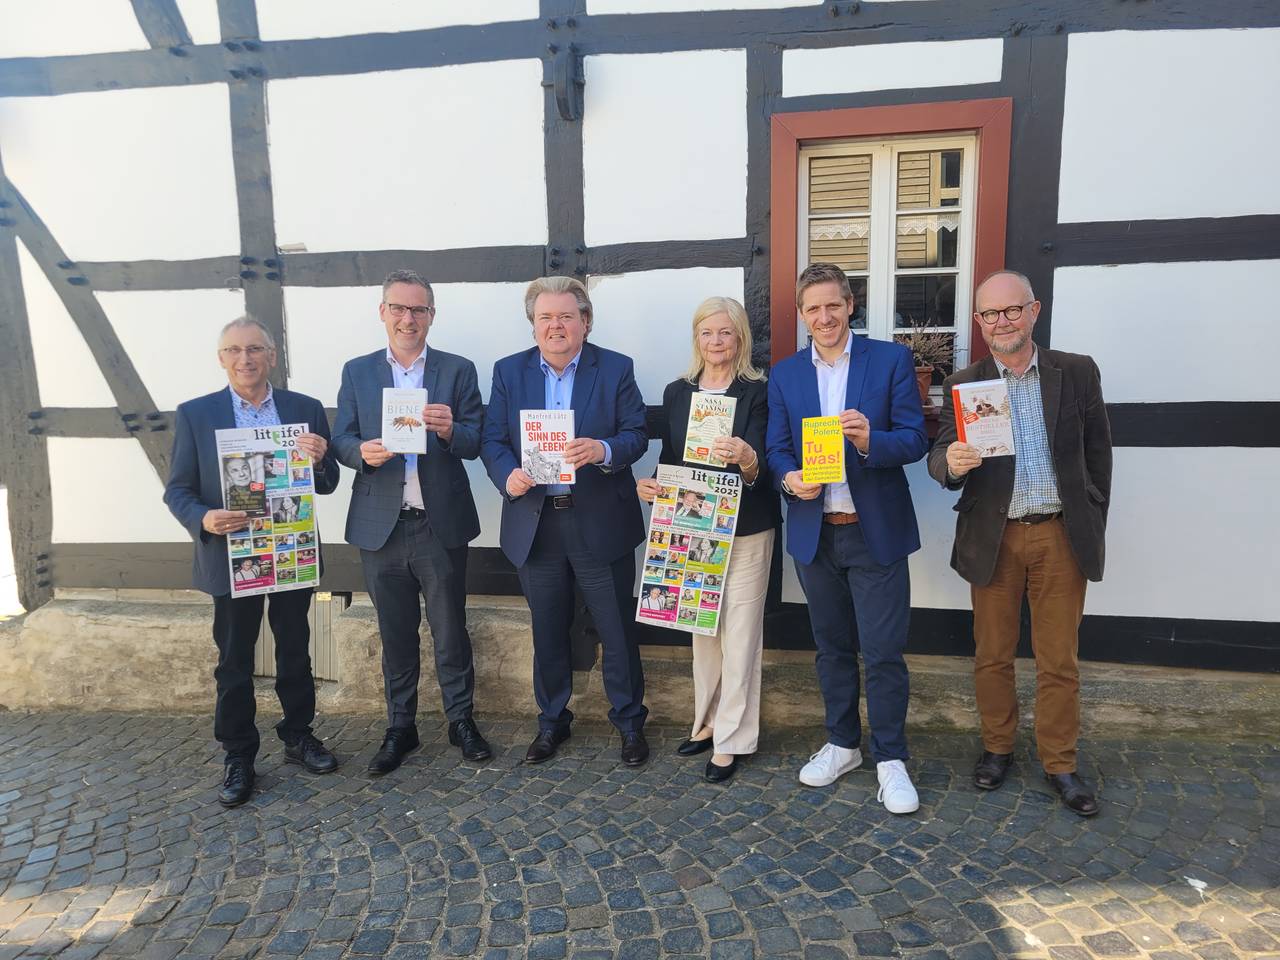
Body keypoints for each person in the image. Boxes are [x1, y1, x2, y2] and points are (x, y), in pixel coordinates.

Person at [928, 270, 1112, 817]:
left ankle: (1060, 762)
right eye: (991, 314)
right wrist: (950, 464)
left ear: (1034, 311)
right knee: (992, 654)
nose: (1002, 321)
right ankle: (998, 747)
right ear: (979, 322)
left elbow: (1099, 454)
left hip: (1059, 534)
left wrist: (1092, 515)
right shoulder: (965, 383)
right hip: (995, 536)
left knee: (1059, 660)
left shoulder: (1075, 372)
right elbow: (939, 456)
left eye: (1012, 310)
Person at [766, 262, 928, 814]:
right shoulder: (786, 374)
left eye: (833, 305)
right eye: (813, 308)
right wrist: (789, 479)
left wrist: (868, 441)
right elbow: (777, 448)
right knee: (831, 649)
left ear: (850, 305)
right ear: (801, 314)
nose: (824, 316)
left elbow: (914, 439)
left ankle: (891, 758)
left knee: (882, 652)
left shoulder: (890, 360)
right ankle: (842, 744)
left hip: (873, 531)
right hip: (816, 533)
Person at [163, 316, 340, 808]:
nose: (246, 359)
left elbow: (326, 483)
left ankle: (299, 735)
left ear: (272, 356)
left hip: (289, 549)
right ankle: (238, 753)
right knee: (234, 659)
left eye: (255, 349)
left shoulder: (304, 409)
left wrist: (320, 459)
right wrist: (204, 517)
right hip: (231, 554)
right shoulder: (196, 414)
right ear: (222, 358)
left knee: (295, 649)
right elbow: (177, 490)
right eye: (235, 350)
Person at [481, 276, 650, 767]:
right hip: (537, 523)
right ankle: (552, 720)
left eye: (566, 316)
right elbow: (493, 440)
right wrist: (507, 475)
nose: (556, 326)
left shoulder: (615, 368)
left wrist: (603, 449)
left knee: (616, 629)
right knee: (548, 629)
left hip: (599, 520)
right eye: (545, 317)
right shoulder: (508, 371)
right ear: (533, 324)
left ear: (585, 322)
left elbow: (636, 433)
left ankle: (630, 722)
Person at [332, 270, 491, 774]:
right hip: (380, 526)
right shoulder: (357, 371)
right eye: (398, 308)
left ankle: (460, 720)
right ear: (383, 312)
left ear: (431, 316)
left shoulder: (457, 369)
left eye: (418, 309)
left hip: (438, 523)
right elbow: (340, 439)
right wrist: (361, 453)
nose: (408, 318)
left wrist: (450, 431)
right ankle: (400, 725)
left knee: (450, 630)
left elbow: (476, 440)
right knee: (395, 633)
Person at [639, 296, 780, 783]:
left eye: (725, 332)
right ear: (696, 338)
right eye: (707, 332)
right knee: (702, 630)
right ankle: (706, 722)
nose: (716, 341)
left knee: (740, 636)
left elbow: (767, 463)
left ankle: (732, 739)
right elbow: (671, 455)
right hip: (693, 524)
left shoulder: (758, 391)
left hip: (747, 527)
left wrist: (747, 458)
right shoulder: (678, 392)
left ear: (740, 337)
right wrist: (653, 485)